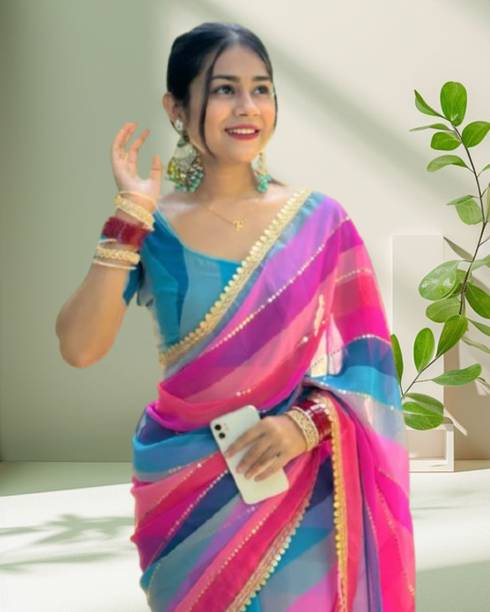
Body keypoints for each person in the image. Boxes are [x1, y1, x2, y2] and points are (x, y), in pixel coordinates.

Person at [55, 21, 416, 612]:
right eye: (224, 89)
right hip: (184, 488)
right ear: (176, 108)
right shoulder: (151, 226)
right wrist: (127, 220)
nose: (247, 107)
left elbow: (368, 368)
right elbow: (79, 347)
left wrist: (303, 426)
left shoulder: (321, 222)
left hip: (293, 476)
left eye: (261, 88)